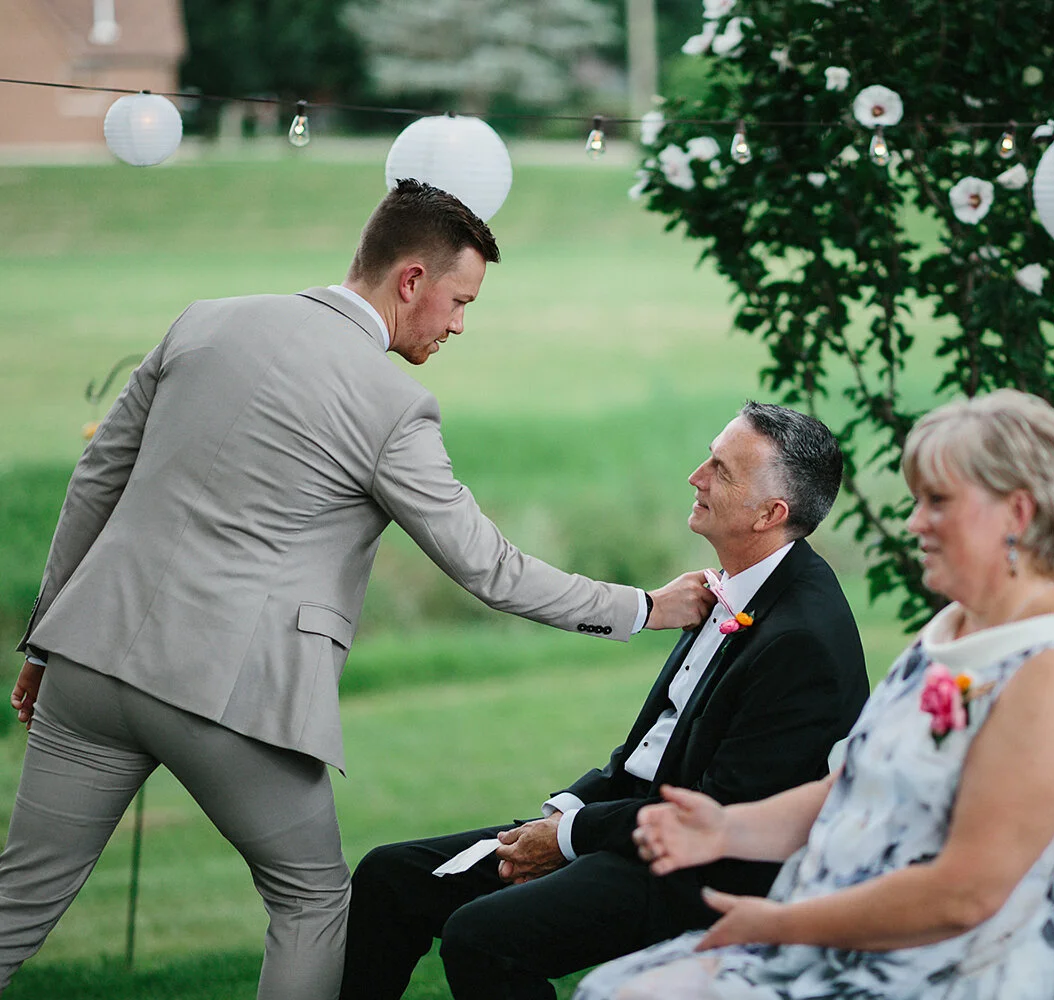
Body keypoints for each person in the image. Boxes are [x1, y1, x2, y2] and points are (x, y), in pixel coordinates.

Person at [0, 179, 713, 999]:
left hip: (87, 662)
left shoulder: (205, 321)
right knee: (311, 900)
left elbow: (95, 479)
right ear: (410, 279)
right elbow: (488, 567)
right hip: (228, 693)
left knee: (17, 900)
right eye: (457, 300)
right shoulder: (392, 406)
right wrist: (646, 607)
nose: (457, 325)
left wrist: (44, 637)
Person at [573, 389, 1054, 1000]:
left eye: (938, 502)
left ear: (1018, 515)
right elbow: (856, 788)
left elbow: (964, 895)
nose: (913, 522)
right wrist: (724, 828)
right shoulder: (952, 631)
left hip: (942, 972)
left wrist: (783, 924)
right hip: (833, 946)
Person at [339, 402, 868, 1000]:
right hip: (631, 821)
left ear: (770, 513)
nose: (695, 476)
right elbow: (651, 751)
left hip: (696, 869)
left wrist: (570, 837)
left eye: (720, 470)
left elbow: (719, 812)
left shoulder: (799, 639)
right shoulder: (733, 588)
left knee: (483, 938)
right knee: (389, 879)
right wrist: (563, 813)